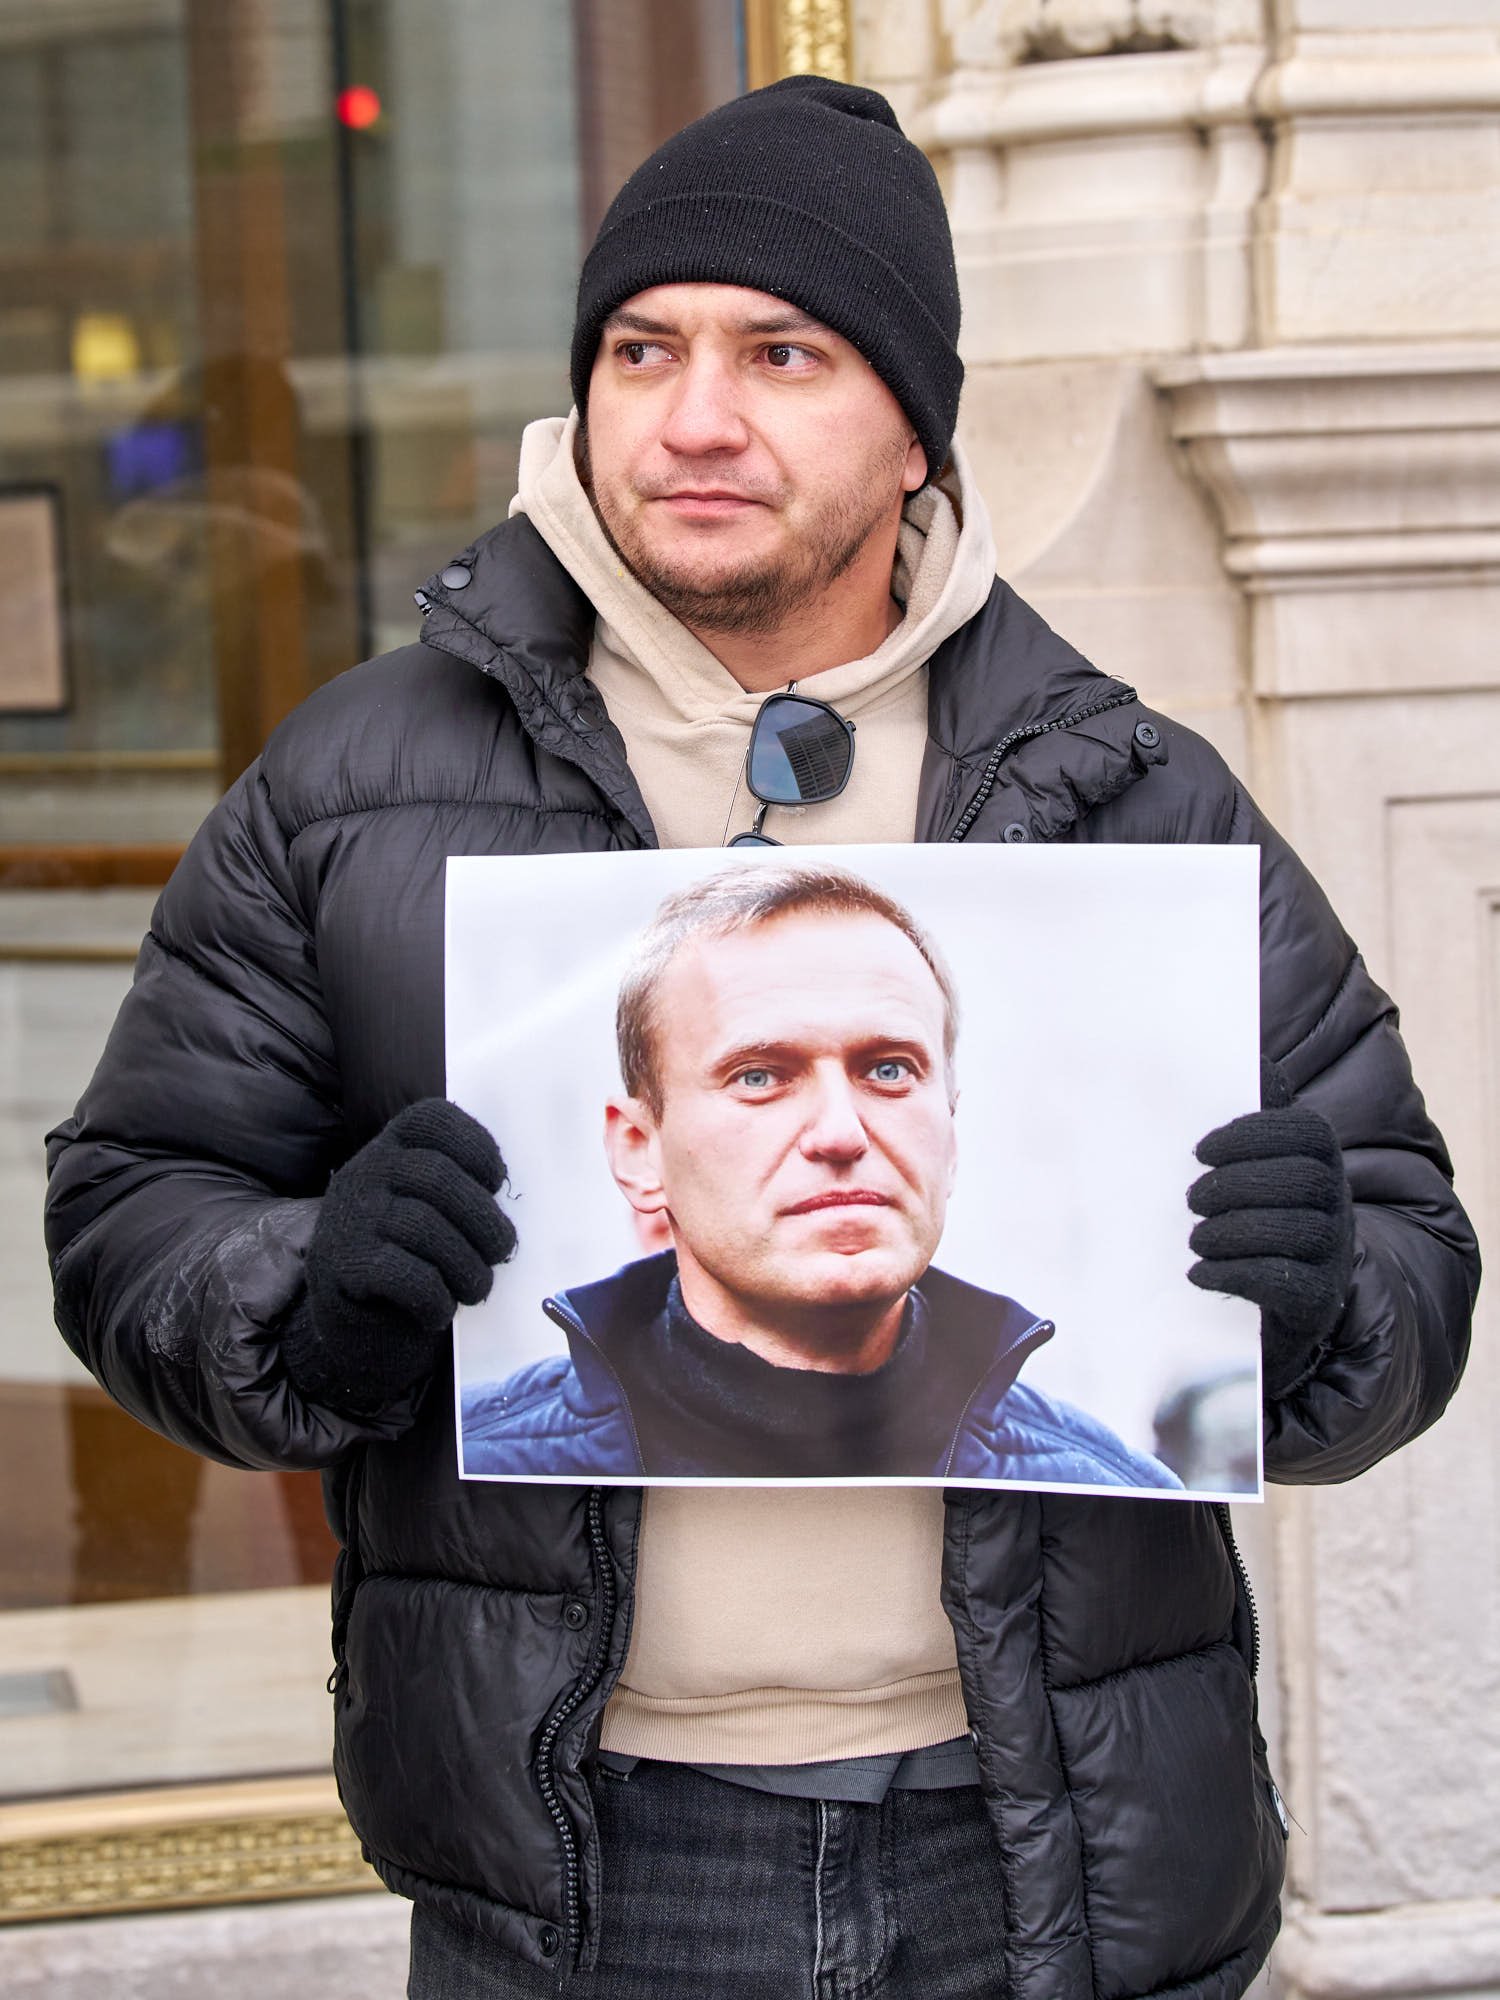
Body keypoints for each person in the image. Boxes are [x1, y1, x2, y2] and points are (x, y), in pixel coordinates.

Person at [44, 75, 1476, 2000]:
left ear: (915, 430)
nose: (695, 416)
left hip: (1047, 1850)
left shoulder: (1131, 794)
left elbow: (1407, 1249)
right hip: (583, 1868)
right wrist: (309, 1296)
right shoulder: (354, 786)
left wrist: (1309, 1310)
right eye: (643, 350)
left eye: (782, 353)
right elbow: (135, 1204)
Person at [461, 862, 1181, 1489]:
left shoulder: (1110, 1491)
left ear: (951, 1134)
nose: (841, 1133)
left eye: (889, 1070)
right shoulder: (470, 1472)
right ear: (639, 1152)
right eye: (760, 1076)